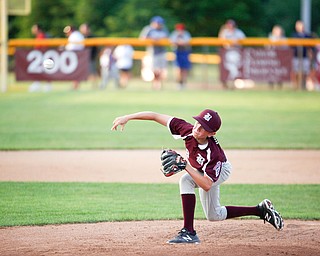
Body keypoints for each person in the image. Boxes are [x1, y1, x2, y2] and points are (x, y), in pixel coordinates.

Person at [111, 109, 284, 244]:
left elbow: (207, 184)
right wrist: (128, 117)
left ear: (212, 133)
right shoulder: (187, 130)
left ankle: (189, 232)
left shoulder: (212, 154)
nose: (197, 128)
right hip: (201, 170)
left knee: (186, 179)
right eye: (198, 122)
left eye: (203, 128)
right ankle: (260, 210)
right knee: (214, 215)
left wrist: (186, 166)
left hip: (218, 171)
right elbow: (155, 116)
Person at [139, 16, 169, 90]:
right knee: (154, 69)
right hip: (152, 52)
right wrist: (153, 40)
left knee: (161, 69)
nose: (159, 25)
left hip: (162, 51)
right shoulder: (149, 29)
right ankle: (155, 83)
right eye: (158, 23)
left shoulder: (164, 29)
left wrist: (160, 40)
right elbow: (142, 39)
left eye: (160, 23)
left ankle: (159, 83)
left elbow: (168, 39)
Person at [218, 19, 246, 89]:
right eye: (229, 25)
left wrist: (236, 42)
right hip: (225, 53)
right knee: (224, 69)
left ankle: (235, 84)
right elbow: (220, 39)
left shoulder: (239, 32)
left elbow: (244, 40)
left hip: (236, 53)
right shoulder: (224, 32)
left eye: (231, 25)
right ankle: (225, 84)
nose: (230, 27)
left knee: (236, 69)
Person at [29, 24, 52, 93]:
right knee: (39, 70)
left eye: (34, 28)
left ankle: (47, 85)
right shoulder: (38, 36)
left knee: (45, 70)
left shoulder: (41, 35)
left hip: (43, 55)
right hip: (40, 56)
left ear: (38, 29)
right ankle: (37, 84)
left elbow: (41, 46)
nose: (33, 30)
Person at [291, 20, 312, 90]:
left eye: (301, 25)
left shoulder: (307, 35)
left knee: (305, 71)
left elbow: (310, 46)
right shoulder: (294, 35)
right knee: (296, 71)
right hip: (296, 56)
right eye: (298, 25)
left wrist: (310, 54)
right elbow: (292, 46)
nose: (299, 27)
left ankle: (304, 85)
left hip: (305, 56)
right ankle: (296, 85)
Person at [170, 23, 192, 90]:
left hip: (185, 52)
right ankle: (179, 83)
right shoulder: (174, 34)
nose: (180, 31)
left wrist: (180, 42)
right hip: (177, 52)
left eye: (181, 29)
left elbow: (187, 42)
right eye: (179, 29)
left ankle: (184, 83)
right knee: (178, 69)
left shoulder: (186, 34)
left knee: (185, 69)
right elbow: (172, 41)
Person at [63, 25, 85, 90]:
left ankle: (75, 86)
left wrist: (64, 48)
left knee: (75, 70)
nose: (67, 33)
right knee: (76, 70)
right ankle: (75, 85)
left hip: (76, 54)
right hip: (79, 54)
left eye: (68, 32)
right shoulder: (78, 34)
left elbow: (71, 47)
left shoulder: (74, 35)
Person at [79, 23, 99, 89]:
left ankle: (95, 85)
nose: (82, 30)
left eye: (84, 28)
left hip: (91, 57)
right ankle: (77, 86)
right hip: (81, 58)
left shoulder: (92, 37)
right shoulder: (80, 37)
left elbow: (96, 48)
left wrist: (95, 56)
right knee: (78, 71)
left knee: (92, 72)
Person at [268, 25, 287, 89]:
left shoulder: (284, 39)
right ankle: (271, 84)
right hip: (273, 56)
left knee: (280, 71)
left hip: (281, 57)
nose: (278, 32)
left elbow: (286, 48)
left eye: (279, 31)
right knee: (272, 71)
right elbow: (267, 47)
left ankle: (279, 84)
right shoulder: (271, 38)